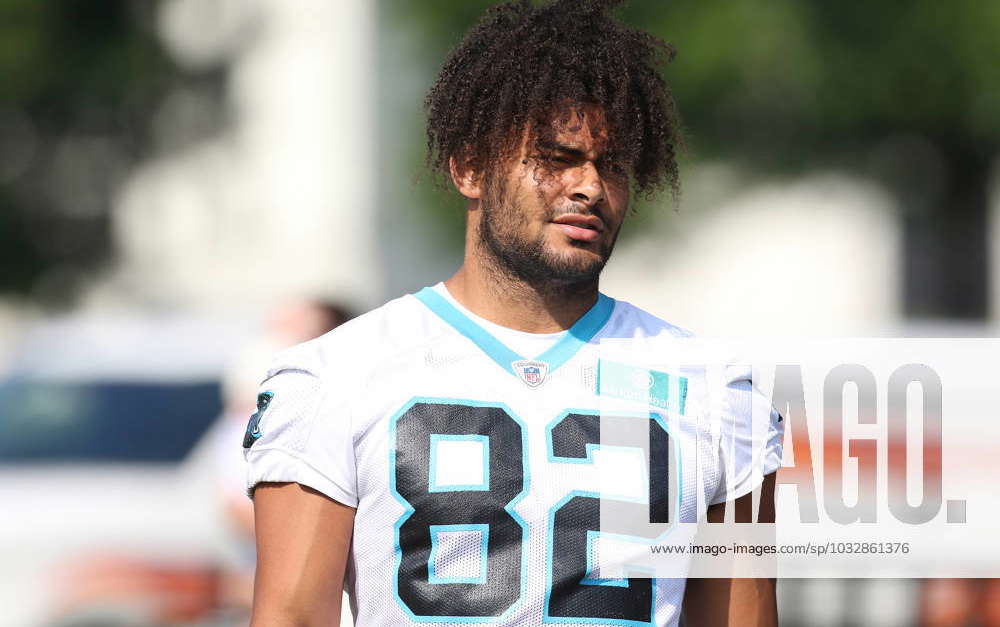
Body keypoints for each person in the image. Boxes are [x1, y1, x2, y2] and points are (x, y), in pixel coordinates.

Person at [245, 1, 783, 625]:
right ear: (470, 167)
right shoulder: (336, 377)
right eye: (556, 159)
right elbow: (290, 617)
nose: (588, 187)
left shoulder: (715, 391)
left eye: (611, 165)